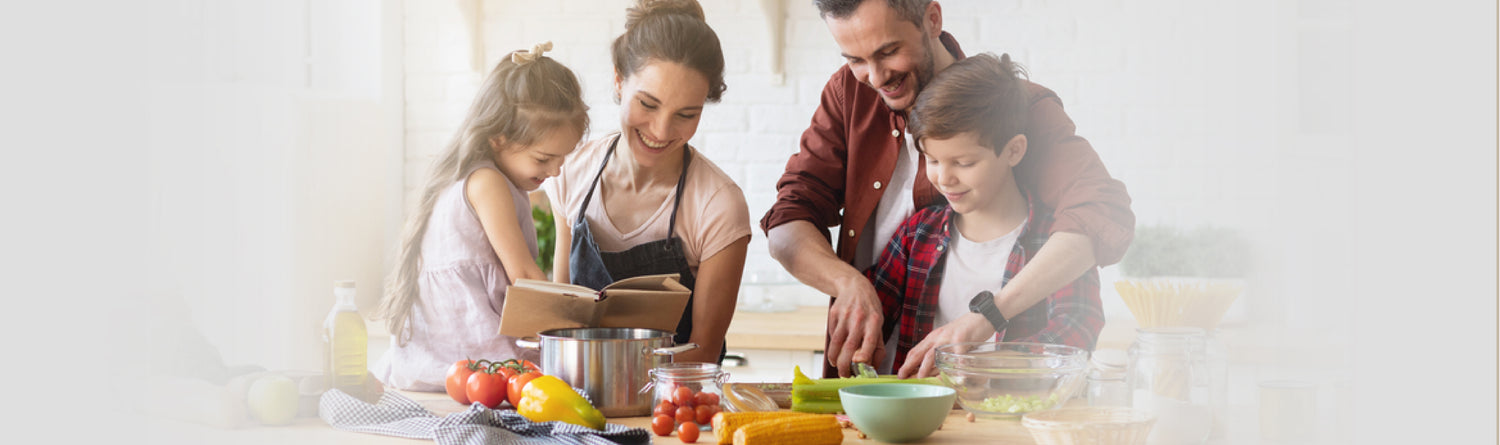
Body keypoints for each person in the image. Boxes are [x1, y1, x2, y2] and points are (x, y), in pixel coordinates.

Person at [761, 0, 1134, 377]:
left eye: (889, 51)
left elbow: (1099, 215)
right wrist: (847, 283)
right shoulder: (849, 92)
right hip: (884, 386)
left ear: (933, 19)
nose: (874, 78)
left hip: (1000, 394)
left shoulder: (1016, 106)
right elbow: (789, 216)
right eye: (855, 59)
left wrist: (988, 320)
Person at [871, 53, 1104, 378]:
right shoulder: (916, 235)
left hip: (1013, 407)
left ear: (1014, 150)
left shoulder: (1057, 241)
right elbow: (872, 314)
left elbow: (1076, 331)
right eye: (932, 160)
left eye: (964, 163)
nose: (944, 178)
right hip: (920, 410)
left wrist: (979, 367)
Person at [373, 43, 590, 391]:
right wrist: (578, 323)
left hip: (440, 362)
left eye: (562, 158)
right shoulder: (487, 182)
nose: (555, 171)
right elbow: (523, 276)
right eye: (543, 159)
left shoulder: (480, 176)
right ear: (498, 139)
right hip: (469, 360)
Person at [546, 0, 749, 365]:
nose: (661, 131)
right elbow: (561, 322)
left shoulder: (718, 204)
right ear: (619, 80)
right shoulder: (571, 173)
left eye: (686, 114)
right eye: (648, 104)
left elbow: (702, 354)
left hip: (675, 396)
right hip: (577, 392)